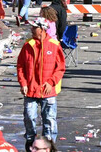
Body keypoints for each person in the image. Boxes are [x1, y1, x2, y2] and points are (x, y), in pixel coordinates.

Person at [17, 18, 66, 151]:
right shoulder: (28, 45)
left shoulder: (54, 45)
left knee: (49, 120)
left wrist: (51, 82)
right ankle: (31, 145)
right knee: (29, 117)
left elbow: (60, 68)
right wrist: (23, 83)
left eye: (34, 27)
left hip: (48, 90)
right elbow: (20, 66)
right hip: (31, 90)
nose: (31, 30)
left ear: (42, 29)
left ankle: (49, 145)